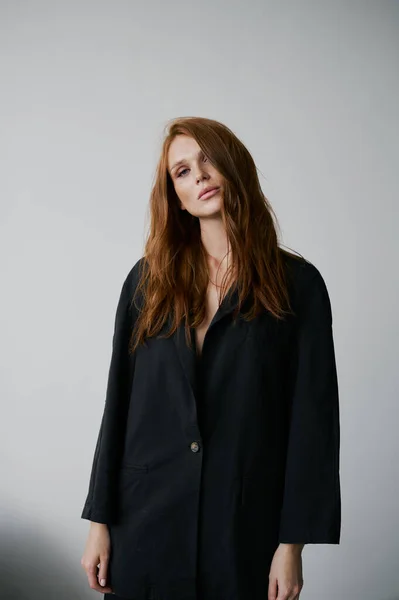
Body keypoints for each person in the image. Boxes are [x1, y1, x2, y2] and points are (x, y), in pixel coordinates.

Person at [80, 116, 341, 600]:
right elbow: (118, 405)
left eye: (206, 159)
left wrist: (292, 544)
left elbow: (313, 423)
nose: (198, 175)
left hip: (243, 526)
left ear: (233, 165)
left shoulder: (299, 286)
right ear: (175, 196)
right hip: (145, 523)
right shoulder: (146, 282)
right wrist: (99, 522)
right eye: (181, 171)